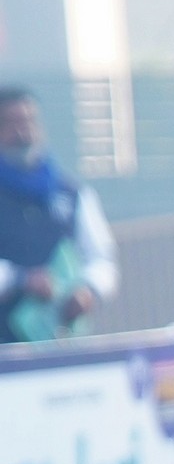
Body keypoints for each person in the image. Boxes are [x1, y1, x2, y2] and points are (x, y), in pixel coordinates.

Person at [0, 88, 118, 344]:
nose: (23, 132)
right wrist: (21, 280)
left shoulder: (72, 193)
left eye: (29, 121)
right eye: (12, 123)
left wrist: (87, 290)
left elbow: (101, 259)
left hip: (60, 341)